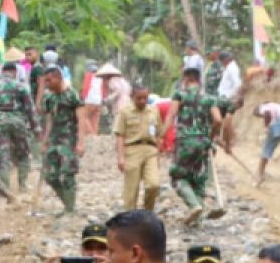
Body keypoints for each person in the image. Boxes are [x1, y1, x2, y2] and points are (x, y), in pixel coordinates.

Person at [161, 67, 224, 226]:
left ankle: (194, 205)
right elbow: (217, 120)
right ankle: (199, 216)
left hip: (185, 141)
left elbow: (171, 116)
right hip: (203, 141)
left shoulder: (180, 95)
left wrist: (160, 135)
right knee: (199, 176)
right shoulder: (209, 98)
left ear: (186, 79)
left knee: (178, 176)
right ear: (199, 80)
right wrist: (210, 137)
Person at [0, 60, 39, 196]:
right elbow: (30, 109)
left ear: (2, 72)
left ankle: (5, 187)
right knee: (23, 154)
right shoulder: (21, 86)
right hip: (18, 122)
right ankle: (23, 184)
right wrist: (36, 127)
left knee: (3, 155)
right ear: (14, 72)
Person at [40, 64, 85, 214]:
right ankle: (67, 204)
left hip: (68, 140)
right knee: (50, 176)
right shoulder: (50, 97)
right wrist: (45, 141)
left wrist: (80, 142)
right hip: (54, 140)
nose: (47, 84)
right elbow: (49, 120)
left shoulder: (72, 95)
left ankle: (70, 209)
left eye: (49, 80)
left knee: (67, 174)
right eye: (45, 81)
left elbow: (81, 119)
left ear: (59, 78)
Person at [113, 81, 162, 211]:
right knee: (131, 190)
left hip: (150, 150)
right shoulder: (124, 112)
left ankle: (148, 212)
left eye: (145, 97)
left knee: (153, 184)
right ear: (132, 97)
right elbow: (120, 135)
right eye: (138, 98)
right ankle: (130, 218)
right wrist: (120, 157)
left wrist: (158, 153)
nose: (142, 101)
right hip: (132, 150)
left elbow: (158, 133)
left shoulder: (154, 110)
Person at [254, 102, 280, 185]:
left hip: (279, 124)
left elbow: (267, 113)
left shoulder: (264, 107)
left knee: (267, 150)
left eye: (259, 116)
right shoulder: (278, 106)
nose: (261, 117)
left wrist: (267, 126)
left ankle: (260, 175)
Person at [215, 51, 243, 151]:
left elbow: (237, 84)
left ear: (226, 60)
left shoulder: (232, 69)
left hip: (227, 98)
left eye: (222, 61)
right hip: (224, 97)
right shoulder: (229, 68)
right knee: (223, 120)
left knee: (224, 120)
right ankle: (225, 139)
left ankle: (228, 141)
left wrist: (234, 97)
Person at [81, 59, 104, 136]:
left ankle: (91, 135)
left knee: (84, 117)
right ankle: (95, 137)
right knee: (95, 121)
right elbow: (102, 89)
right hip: (98, 101)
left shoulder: (88, 75)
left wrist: (83, 98)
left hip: (90, 100)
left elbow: (86, 87)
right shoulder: (101, 77)